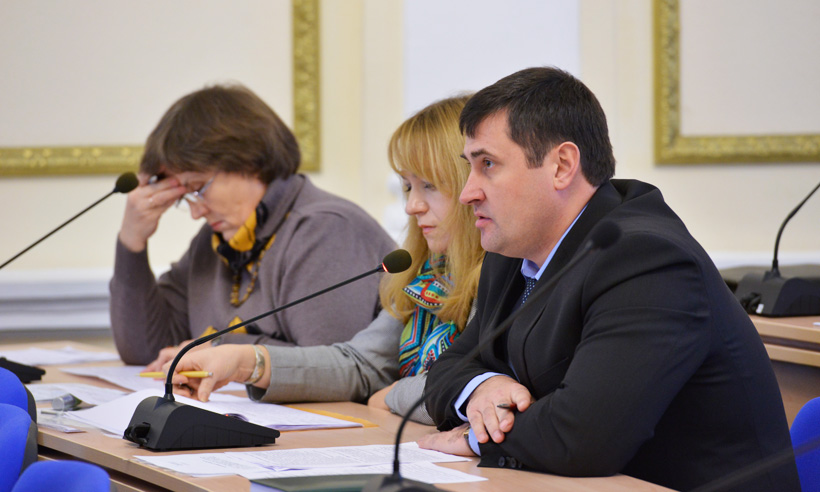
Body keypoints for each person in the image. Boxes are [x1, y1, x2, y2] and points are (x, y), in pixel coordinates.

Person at [417, 67, 800, 491]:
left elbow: (582, 437)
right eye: (470, 167)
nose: (468, 192)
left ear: (562, 165)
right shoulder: (513, 254)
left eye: (488, 164)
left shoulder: (646, 259)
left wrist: (475, 438)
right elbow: (447, 369)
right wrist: (482, 386)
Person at [165, 95, 483, 423]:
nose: (412, 206)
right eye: (407, 187)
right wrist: (244, 362)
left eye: (429, 185)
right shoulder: (427, 272)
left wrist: (393, 396)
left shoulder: (500, 275)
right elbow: (361, 365)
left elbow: (476, 386)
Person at [110, 84, 395, 368]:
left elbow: (328, 371)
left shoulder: (326, 230)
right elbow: (144, 350)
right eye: (186, 197)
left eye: (198, 187)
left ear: (248, 161)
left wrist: (224, 349)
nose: (196, 212)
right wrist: (132, 241)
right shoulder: (214, 239)